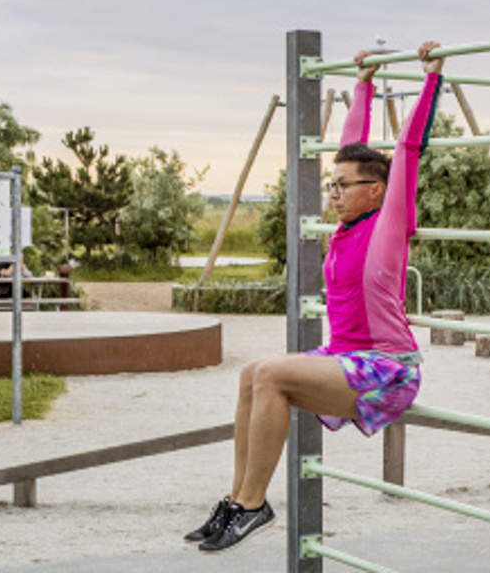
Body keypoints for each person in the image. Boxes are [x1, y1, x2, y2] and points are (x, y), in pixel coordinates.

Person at [185, 41, 449, 553]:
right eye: (331, 185)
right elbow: (351, 148)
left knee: (270, 373)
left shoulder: (388, 223)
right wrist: (362, 86)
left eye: (342, 187)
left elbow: (408, 150)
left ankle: (253, 505)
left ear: (376, 190)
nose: (333, 193)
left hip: (387, 368)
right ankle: (237, 501)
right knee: (251, 373)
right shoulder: (344, 229)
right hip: (345, 357)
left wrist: (432, 77)